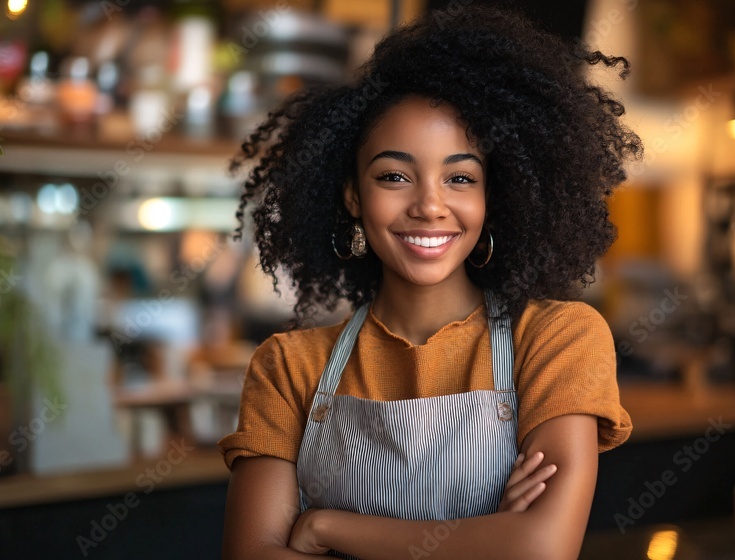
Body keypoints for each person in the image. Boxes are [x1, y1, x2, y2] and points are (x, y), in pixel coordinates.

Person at [218, 6, 641, 559]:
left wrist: (326, 528)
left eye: (460, 178)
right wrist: (483, 539)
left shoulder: (558, 338)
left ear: (493, 198)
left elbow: (539, 549)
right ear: (352, 195)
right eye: (394, 176)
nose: (429, 206)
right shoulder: (287, 369)